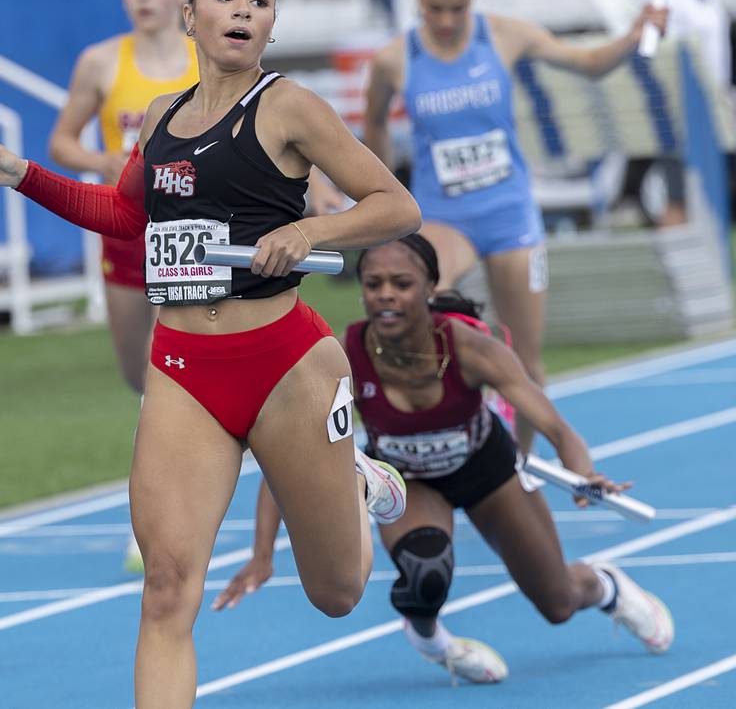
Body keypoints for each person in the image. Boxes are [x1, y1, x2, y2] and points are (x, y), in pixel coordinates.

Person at [0, 0, 421, 709]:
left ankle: (349, 476)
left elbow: (396, 206)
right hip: (182, 372)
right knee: (166, 587)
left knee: (336, 592)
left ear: (271, 24)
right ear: (190, 13)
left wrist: (308, 233)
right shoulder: (162, 115)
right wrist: (20, 174)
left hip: (286, 367)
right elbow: (125, 213)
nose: (243, 8)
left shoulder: (289, 106)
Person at [214, 234, 675, 685]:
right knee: (425, 571)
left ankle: (605, 586)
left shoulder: (473, 350)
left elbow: (557, 429)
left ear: (430, 288)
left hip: (487, 472)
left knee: (558, 602)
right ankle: (433, 642)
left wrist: (585, 473)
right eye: (374, 284)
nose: (386, 295)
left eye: (402, 283)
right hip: (409, 482)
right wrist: (260, 556)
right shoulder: (343, 357)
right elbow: (295, 460)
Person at [359, 0, 667, 451]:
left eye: (457, 8)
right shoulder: (394, 59)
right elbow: (376, 125)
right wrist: (380, 193)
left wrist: (636, 34)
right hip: (441, 217)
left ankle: (517, 463)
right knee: (410, 311)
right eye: (435, 9)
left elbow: (588, 64)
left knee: (526, 357)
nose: (447, 20)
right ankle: (418, 434)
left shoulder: (504, 34)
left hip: (508, 214)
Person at [49, 0, 198, 572]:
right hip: (124, 233)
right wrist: (99, 160)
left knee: (167, 378)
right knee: (138, 375)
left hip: (193, 234)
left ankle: (156, 519)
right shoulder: (101, 63)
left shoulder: (205, 59)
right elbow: (61, 139)